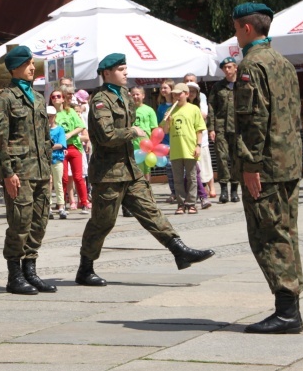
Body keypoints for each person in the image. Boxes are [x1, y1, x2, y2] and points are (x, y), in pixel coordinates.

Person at [75, 53, 214, 287]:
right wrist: (133, 132)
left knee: (151, 212)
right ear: (107, 73)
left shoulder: (126, 96)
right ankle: (85, 268)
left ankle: (179, 250)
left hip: (131, 169)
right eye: (121, 69)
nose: (126, 72)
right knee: (103, 222)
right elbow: (106, 135)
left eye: (126, 68)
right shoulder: (101, 100)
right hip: (109, 173)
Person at [232, 2, 303, 334]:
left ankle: (287, 312)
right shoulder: (284, 63)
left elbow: (253, 120)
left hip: (267, 168)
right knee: (287, 234)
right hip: (288, 163)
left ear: (246, 28)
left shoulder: (252, 65)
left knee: (269, 236)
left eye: (235, 29)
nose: (235, 35)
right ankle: (290, 308)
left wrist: (250, 164)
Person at [0, 45, 56, 295]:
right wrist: (7, 173)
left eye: (32, 63)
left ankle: (30, 271)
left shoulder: (38, 98)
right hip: (19, 171)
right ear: (14, 67)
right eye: (27, 63)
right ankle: (14, 276)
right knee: (20, 223)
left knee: (39, 223)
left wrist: (47, 169)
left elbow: (45, 138)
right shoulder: (5, 98)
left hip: (39, 171)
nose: (32, 67)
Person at [161, 83, 206, 215]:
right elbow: (164, 130)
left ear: (186, 94)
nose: (176, 96)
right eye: (174, 94)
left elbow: (199, 129)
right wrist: (168, 121)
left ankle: (191, 204)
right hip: (176, 149)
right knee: (178, 179)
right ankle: (180, 204)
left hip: (190, 148)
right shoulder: (170, 111)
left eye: (179, 94)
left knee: (192, 178)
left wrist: (198, 146)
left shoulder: (193, 109)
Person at [50, 88, 91, 214]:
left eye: (58, 96)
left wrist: (69, 135)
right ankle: (61, 203)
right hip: (60, 149)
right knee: (63, 178)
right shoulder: (50, 114)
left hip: (74, 146)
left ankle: (84, 203)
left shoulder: (70, 111)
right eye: (53, 97)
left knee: (78, 176)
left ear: (63, 98)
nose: (56, 98)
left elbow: (81, 126)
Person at [208, 57, 240, 203]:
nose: (227, 70)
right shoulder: (218, 87)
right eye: (224, 68)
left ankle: (234, 190)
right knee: (222, 158)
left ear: (235, 68)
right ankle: (224, 191)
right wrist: (211, 128)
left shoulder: (243, 84)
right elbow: (212, 108)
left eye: (229, 67)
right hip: (221, 127)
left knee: (236, 158)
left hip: (239, 127)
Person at [185, 80, 213, 210]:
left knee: (200, 169)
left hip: (200, 140)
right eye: (188, 91)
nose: (190, 94)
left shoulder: (200, 104)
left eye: (193, 91)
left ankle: (200, 194)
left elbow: (204, 116)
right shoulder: (181, 105)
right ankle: (199, 195)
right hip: (186, 142)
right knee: (194, 170)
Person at [156, 80, 177, 202]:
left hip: (177, 139)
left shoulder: (177, 104)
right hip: (165, 141)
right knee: (169, 168)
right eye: (162, 88)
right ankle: (173, 192)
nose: (163, 90)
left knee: (180, 168)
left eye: (165, 88)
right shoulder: (161, 106)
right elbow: (159, 124)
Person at [47, 105, 68, 220]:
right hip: (46, 159)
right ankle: (48, 206)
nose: (49, 119)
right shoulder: (43, 130)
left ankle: (61, 206)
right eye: (47, 117)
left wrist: (48, 147)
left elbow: (61, 144)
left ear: (54, 117)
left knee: (58, 182)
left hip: (57, 159)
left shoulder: (59, 129)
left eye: (50, 117)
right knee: (48, 183)